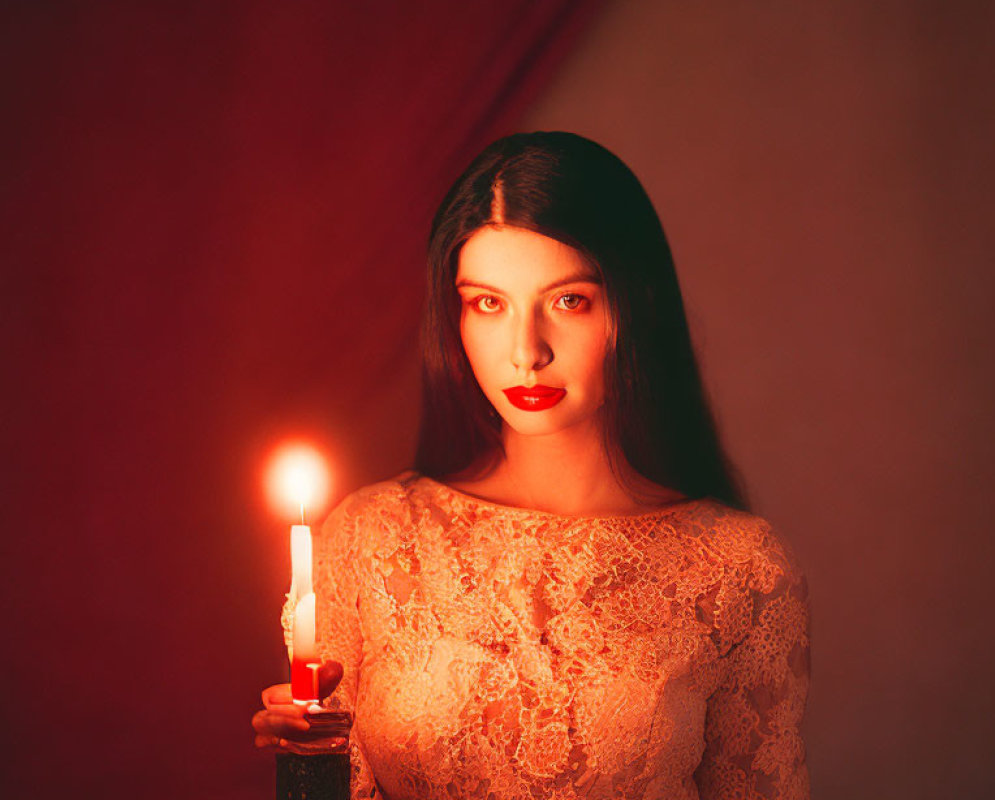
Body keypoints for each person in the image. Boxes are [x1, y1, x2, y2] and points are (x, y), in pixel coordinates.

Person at [253, 132, 810, 799]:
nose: (526, 351)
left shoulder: (738, 571)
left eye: (569, 301)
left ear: (634, 307)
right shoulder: (374, 543)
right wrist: (306, 761)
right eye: (488, 303)